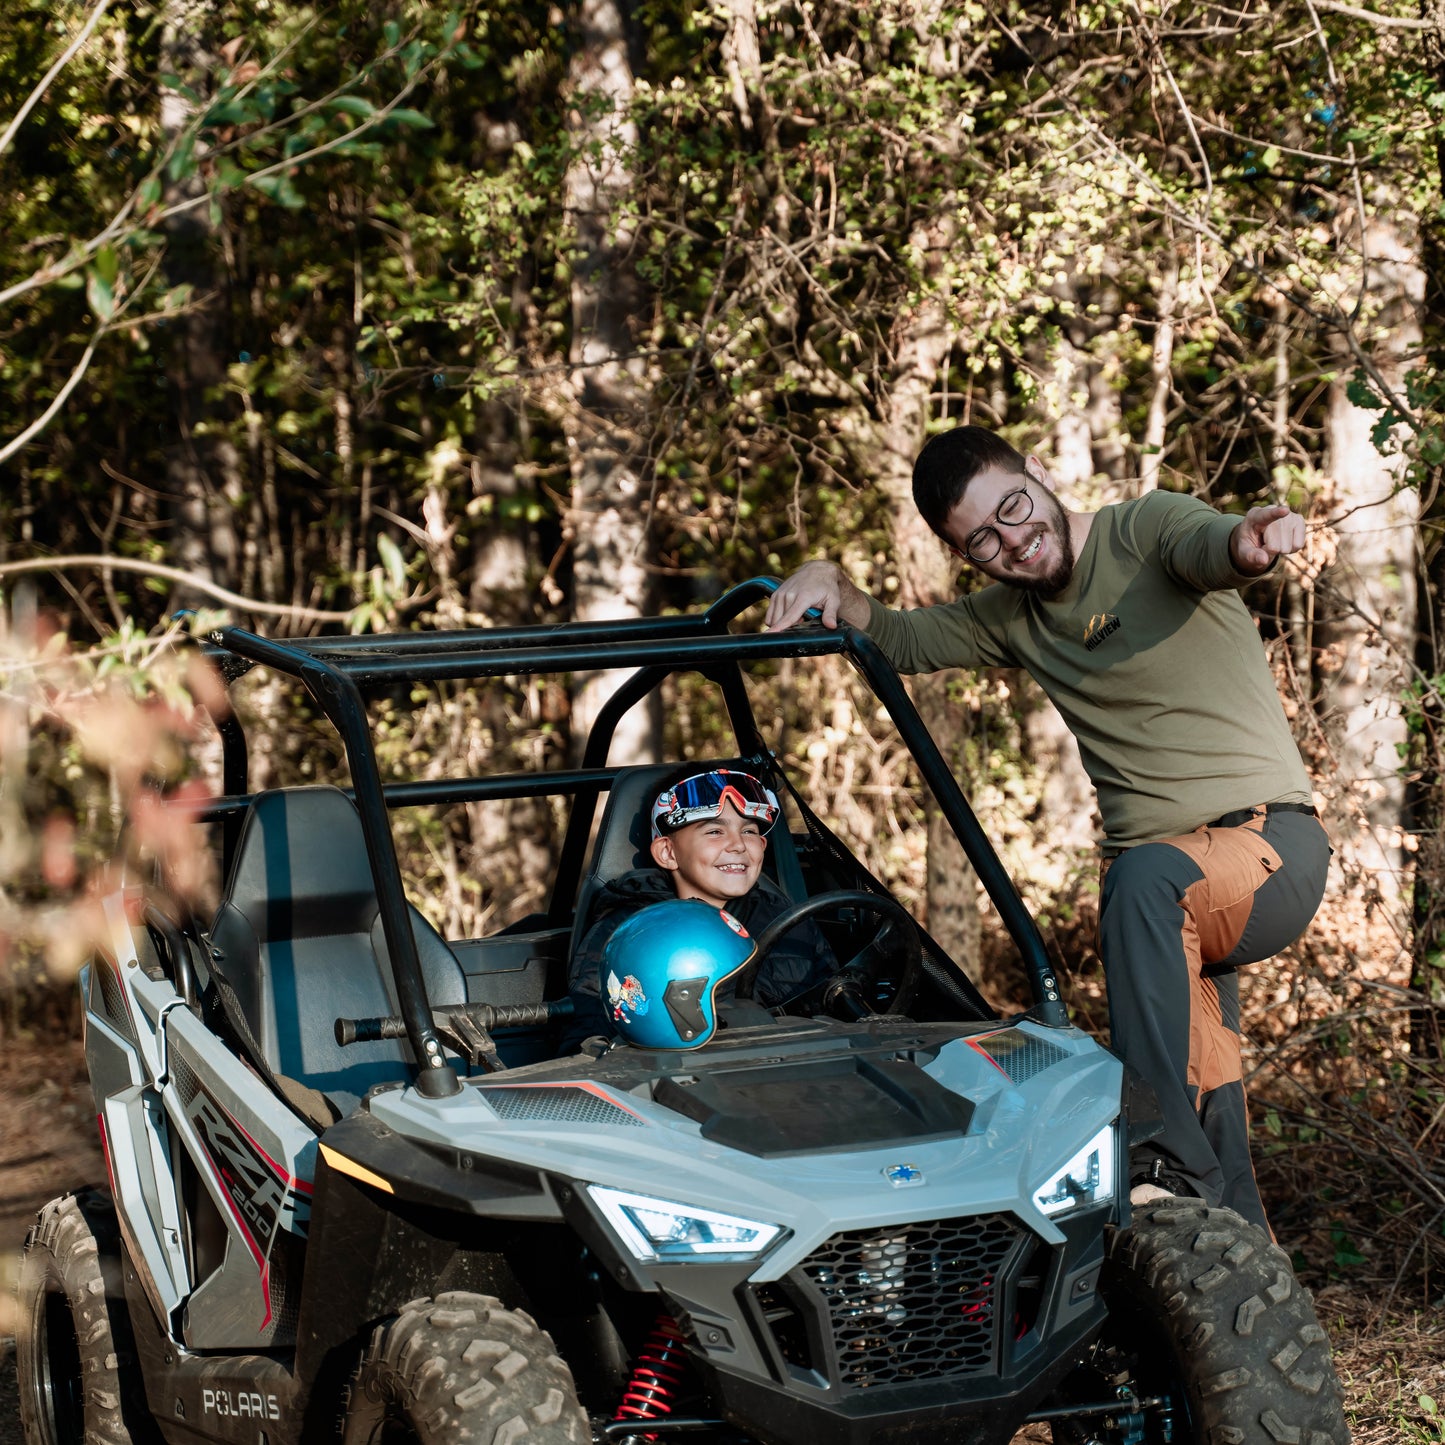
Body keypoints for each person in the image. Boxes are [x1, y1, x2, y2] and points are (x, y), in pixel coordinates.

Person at [764, 424, 1329, 1234]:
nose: (1016, 543)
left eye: (1015, 507)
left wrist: (1249, 541)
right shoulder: (1012, 616)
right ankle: (1232, 1269)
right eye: (984, 541)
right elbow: (898, 637)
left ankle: (1149, 1154)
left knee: (1140, 880)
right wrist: (828, 579)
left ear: (1035, 469)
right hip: (1169, 903)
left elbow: (1213, 545)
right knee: (1205, 1085)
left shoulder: (1142, 529)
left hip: (1266, 850)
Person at [561, 769, 836, 1051]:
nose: (739, 844)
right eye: (715, 831)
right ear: (668, 853)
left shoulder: (788, 920)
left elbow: (836, 1003)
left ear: (763, 846)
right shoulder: (629, 931)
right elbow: (588, 1031)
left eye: (749, 831)